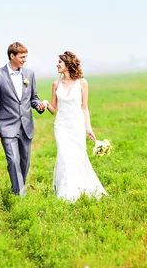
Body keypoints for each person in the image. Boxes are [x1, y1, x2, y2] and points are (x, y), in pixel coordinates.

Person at [43, 51, 107, 202]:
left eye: (60, 62)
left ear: (68, 64)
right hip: (61, 125)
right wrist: (46, 104)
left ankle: (80, 190)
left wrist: (88, 128)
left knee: (77, 157)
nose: (57, 65)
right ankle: (66, 194)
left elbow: (84, 107)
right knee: (64, 157)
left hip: (76, 124)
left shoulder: (82, 83)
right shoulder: (55, 84)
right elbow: (54, 109)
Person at [0, 42, 46, 195]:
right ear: (12, 56)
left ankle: (16, 191)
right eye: (22, 57)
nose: (24, 60)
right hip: (7, 127)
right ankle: (20, 196)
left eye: (26, 57)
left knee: (24, 163)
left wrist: (38, 105)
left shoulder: (30, 74)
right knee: (13, 161)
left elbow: (33, 98)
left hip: (26, 126)